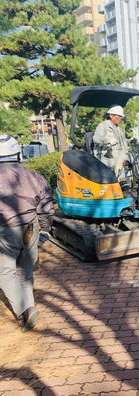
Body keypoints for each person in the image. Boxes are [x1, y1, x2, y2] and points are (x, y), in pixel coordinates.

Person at [0, 134, 54, 332]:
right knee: (25, 268)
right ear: (17, 154)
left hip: (5, 229)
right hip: (31, 227)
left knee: (5, 273)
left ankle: (25, 309)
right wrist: (45, 228)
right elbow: (46, 205)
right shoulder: (32, 175)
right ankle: (28, 306)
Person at [93, 105, 129, 181]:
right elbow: (95, 139)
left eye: (121, 116)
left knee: (134, 159)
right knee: (120, 156)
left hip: (117, 156)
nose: (121, 118)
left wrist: (127, 155)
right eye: (119, 116)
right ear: (111, 115)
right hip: (105, 156)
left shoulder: (119, 129)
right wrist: (107, 140)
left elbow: (124, 145)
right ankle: (121, 181)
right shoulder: (103, 126)